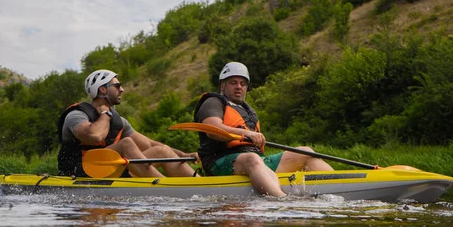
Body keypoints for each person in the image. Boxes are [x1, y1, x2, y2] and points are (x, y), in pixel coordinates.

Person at [194, 62, 333, 196]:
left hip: (256, 162)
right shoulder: (213, 102)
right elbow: (212, 129)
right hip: (219, 162)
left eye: (242, 84)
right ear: (222, 85)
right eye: (233, 82)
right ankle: (281, 200)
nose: (238, 87)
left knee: (305, 152)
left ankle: (340, 184)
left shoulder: (248, 110)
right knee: (252, 158)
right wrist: (246, 133)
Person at [58, 69, 197, 178]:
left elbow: (150, 145)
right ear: (102, 89)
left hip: (111, 169)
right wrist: (105, 114)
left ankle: (200, 183)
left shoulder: (119, 122)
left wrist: (182, 155)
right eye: (117, 86)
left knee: (162, 150)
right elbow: (95, 136)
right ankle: (167, 187)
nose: (122, 89)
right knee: (126, 143)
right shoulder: (76, 115)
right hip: (82, 171)